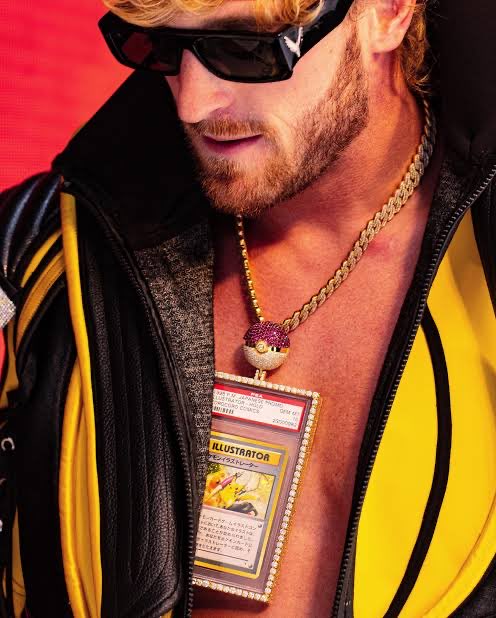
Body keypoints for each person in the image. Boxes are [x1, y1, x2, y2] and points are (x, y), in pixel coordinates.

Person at [0, 0, 495, 616]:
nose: (192, 102)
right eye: (158, 47)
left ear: (387, 12)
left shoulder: (483, 258)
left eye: (244, 49)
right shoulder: (38, 250)